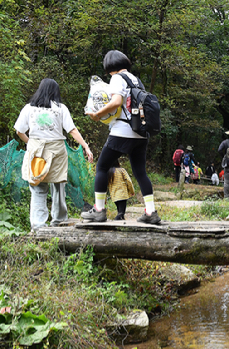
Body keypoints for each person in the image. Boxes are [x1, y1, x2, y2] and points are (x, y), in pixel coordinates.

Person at [83, 50, 160, 224]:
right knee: (140, 172)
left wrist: (97, 115)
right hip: (140, 132)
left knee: (102, 167)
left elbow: (116, 102)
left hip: (122, 131)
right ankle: (151, 212)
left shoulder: (117, 78)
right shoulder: (136, 79)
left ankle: (99, 210)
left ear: (110, 66)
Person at [14, 78, 94, 231]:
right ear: (55, 92)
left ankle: (38, 226)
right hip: (57, 150)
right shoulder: (61, 108)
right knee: (58, 186)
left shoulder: (29, 108)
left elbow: (19, 131)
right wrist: (85, 146)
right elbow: (72, 130)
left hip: (37, 151)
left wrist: (30, 142)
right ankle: (59, 221)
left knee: (37, 187)